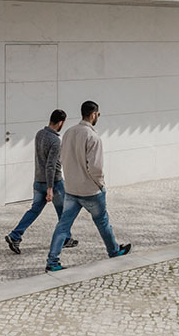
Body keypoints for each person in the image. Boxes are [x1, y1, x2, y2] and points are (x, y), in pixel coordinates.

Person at [45, 100, 131, 272]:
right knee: (102, 222)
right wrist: (101, 185)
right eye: (97, 114)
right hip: (90, 190)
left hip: (71, 189)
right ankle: (113, 251)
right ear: (93, 114)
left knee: (63, 225)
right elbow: (96, 167)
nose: (97, 117)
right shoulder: (93, 137)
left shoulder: (68, 133)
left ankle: (52, 261)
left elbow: (63, 159)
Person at [5, 109, 78, 255]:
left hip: (38, 181)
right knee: (64, 212)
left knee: (34, 211)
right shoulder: (55, 141)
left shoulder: (39, 134)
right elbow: (50, 166)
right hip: (54, 183)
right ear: (60, 123)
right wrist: (50, 188)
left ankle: (15, 235)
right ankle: (64, 239)